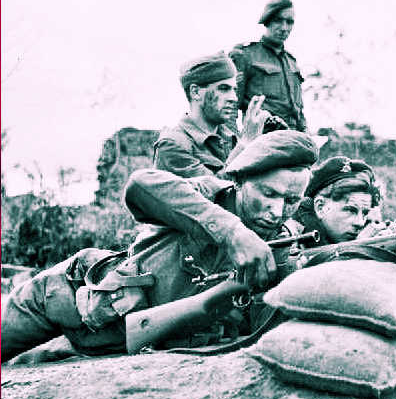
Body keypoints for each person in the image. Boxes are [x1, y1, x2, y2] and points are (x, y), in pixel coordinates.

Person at [1, 130, 318, 363]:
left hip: (114, 342)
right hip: (67, 298)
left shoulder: (280, 241)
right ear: (239, 181)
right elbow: (141, 185)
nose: (277, 210)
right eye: (268, 194)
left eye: (291, 200)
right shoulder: (208, 194)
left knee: (29, 366)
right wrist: (231, 231)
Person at [153, 51, 271, 178]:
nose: (234, 98)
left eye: (234, 90)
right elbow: (217, 188)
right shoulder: (172, 145)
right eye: (223, 89)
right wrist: (246, 143)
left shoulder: (229, 138)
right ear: (195, 92)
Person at [229, 0, 306, 132]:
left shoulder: (291, 62)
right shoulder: (245, 55)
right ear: (267, 21)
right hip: (262, 135)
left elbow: (299, 111)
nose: (284, 28)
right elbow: (230, 106)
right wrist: (233, 140)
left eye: (289, 22)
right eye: (278, 21)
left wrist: (306, 135)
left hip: (293, 136)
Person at [286, 156, 383, 247]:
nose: (360, 223)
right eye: (350, 210)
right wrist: (358, 248)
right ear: (320, 207)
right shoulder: (289, 238)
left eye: (365, 213)